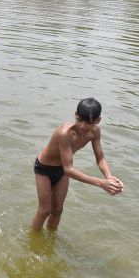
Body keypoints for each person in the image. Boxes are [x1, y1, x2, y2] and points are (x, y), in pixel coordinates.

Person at [31, 98, 124, 231]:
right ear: (75, 114)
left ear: (98, 121)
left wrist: (109, 177)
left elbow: (100, 158)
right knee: (45, 210)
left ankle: (51, 240)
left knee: (58, 209)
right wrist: (101, 183)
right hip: (44, 168)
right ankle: (33, 241)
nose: (83, 126)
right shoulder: (65, 133)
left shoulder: (95, 132)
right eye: (80, 120)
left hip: (61, 169)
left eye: (89, 123)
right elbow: (68, 169)